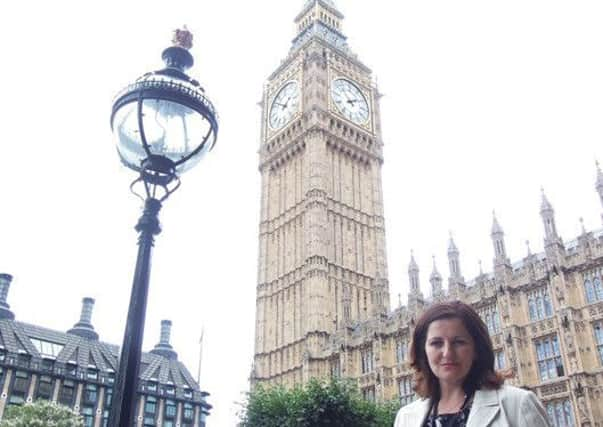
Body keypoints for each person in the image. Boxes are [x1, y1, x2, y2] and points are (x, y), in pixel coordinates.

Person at [394, 301, 551, 427]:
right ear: (424, 351)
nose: (447, 353)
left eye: (459, 342)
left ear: (476, 349)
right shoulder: (406, 417)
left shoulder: (517, 404)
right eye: (436, 343)